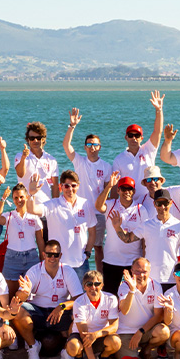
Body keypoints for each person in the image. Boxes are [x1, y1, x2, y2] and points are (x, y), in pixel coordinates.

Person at [12, 239, 82, 359]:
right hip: (39, 310)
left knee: (79, 314)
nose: (52, 258)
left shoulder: (68, 271)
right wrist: (25, 293)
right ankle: (33, 346)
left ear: (60, 255)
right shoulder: (34, 271)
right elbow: (19, 297)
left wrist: (62, 306)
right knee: (18, 310)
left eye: (55, 255)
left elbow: (79, 299)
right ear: (44, 255)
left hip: (60, 312)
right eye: (49, 254)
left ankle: (66, 351)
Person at [110, 190, 180, 290]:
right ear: (154, 204)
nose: (162, 207)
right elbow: (127, 239)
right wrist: (117, 227)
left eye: (165, 203)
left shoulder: (179, 225)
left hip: (171, 278)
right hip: (150, 279)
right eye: (159, 203)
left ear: (171, 203)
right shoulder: (146, 225)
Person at [63, 109, 112, 272]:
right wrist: (72, 126)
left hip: (98, 213)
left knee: (97, 247)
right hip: (79, 211)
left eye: (95, 144)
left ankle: (99, 276)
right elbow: (66, 145)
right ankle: (75, 273)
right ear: (85, 147)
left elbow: (109, 192)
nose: (92, 147)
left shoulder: (106, 167)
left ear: (100, 147)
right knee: (77, 243)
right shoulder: (79, 162)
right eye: (89, 145)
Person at [29, 169, 97, 277]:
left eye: (73, 185)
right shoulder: (52, 204)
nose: (70, 189)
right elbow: (32, 210)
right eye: (66, 186)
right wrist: (32, 195)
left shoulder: (86, 204)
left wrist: (88, 252)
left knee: (82, 294)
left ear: (78, 186)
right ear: (61, 187)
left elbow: (92, 231)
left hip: (81, 263)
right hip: (58, 264)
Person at [111, 91, 165, 204]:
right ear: (126, 137)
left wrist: (158, 110)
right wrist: (114, 206)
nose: (134, 138)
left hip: (150, 200)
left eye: (137, 135)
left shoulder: (149, 150)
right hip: (130, 204)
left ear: (142, 138)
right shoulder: (119, 159)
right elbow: (115, 186)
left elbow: (158, 131)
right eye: (131, 135)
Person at [116, 257, 171, 359]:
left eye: (144, 272)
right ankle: (119, 352)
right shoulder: (124, 286)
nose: (141, 275)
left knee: (164, 331)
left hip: (145, 331)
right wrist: (132, 290)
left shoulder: (156, 285)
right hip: (126, 332)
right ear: (132, 271)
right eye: (137, 271)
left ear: (149, 271)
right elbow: (124, 310)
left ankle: (146, 350)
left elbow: (158, 315)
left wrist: (140, 331)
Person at [65, 270, 122, 359]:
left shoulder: (111, 299)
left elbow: (114, 326)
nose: (93, 287)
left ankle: (103, 357)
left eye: (97, 284)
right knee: (72, 347)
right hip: (82, 336)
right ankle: (79, 356)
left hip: (100, 334)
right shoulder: (79, 303)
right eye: (89, 284)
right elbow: (84, 334)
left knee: (116, 342)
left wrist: (96, 334)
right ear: (84, 287)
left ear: (102, 285)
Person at [95, 175, 143, 293]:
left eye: (130, 189)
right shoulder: (111, 204)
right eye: (123, 189)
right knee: (110, 295)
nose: (126, 192)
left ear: (134, 191)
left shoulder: (141, 209)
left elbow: (144, 238)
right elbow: (98, 206)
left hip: (133, 261)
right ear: (118, 190)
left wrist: (143, 258)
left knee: (134, 295)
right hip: (112, 260)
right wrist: (109, 186)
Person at [0, 183, 45, 283]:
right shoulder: (9, 216)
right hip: (12, 257)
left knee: (32, 289)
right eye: (16, 198)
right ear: (13, 199)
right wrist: (3, 199)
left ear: (27, 197)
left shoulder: (34, 217)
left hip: (31, 257)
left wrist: (42, 258)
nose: (19, 200)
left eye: (21, 197)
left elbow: (40, 240)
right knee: (9, 291)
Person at [15, 121, 59, 204]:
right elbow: (20, 174)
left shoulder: (51, 159)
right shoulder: (20, 156)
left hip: (45, 206)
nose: (35, 140)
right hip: (25, 205)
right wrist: (23, 158)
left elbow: (55, 186)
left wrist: (56, 206)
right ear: (28, 140)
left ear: (43, 139)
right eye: (32, 138)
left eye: (38, 138)